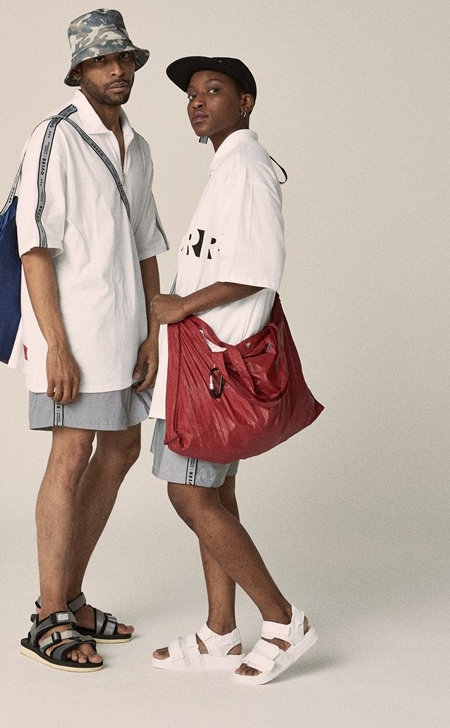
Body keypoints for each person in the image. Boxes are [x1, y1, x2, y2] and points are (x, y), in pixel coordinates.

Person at [148, 56, 317, 684]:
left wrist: (179, 306)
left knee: (189, 493)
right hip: (206, 356)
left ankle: (283, 619)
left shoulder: (245, 166)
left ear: (245, 102)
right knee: (215, 494)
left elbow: (258, 268)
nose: (197, 102)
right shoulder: (229, 165)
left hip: (213, 361)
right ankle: (220, 632)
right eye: (192, 94)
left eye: (213, 91)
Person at [12, 8, 168, 672]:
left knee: (123, 448)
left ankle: (70, 597)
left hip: (125, 328)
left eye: (124, 58)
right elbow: (33, 246)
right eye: (103, 60)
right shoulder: (55, 135)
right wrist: (56, 344)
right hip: (72, 328)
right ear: (79, 71)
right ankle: (48, 616)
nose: (117, 70)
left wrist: (154, 334)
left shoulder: (139, 145)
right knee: (71, 453)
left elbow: (147, 245)